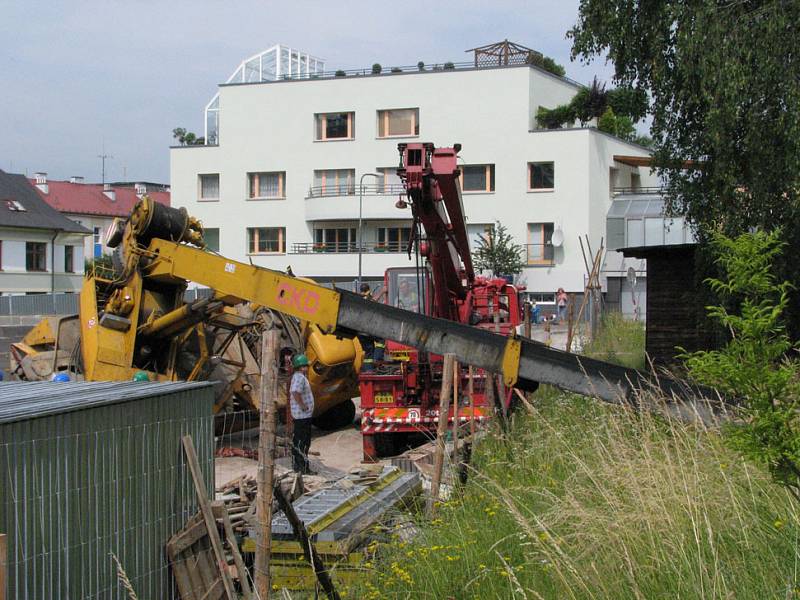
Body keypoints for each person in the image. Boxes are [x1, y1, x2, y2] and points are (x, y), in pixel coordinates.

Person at [290, 353, 315, 474]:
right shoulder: (299, 377)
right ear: (300, 367)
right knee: (303, 442)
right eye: (305, 365)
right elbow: (295, 392)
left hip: (303, 416)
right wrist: (303, 405)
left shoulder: (299, 376)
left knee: (301, 441)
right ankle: (302, 467)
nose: (307, 367)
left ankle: (299, 466)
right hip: (302, 416)